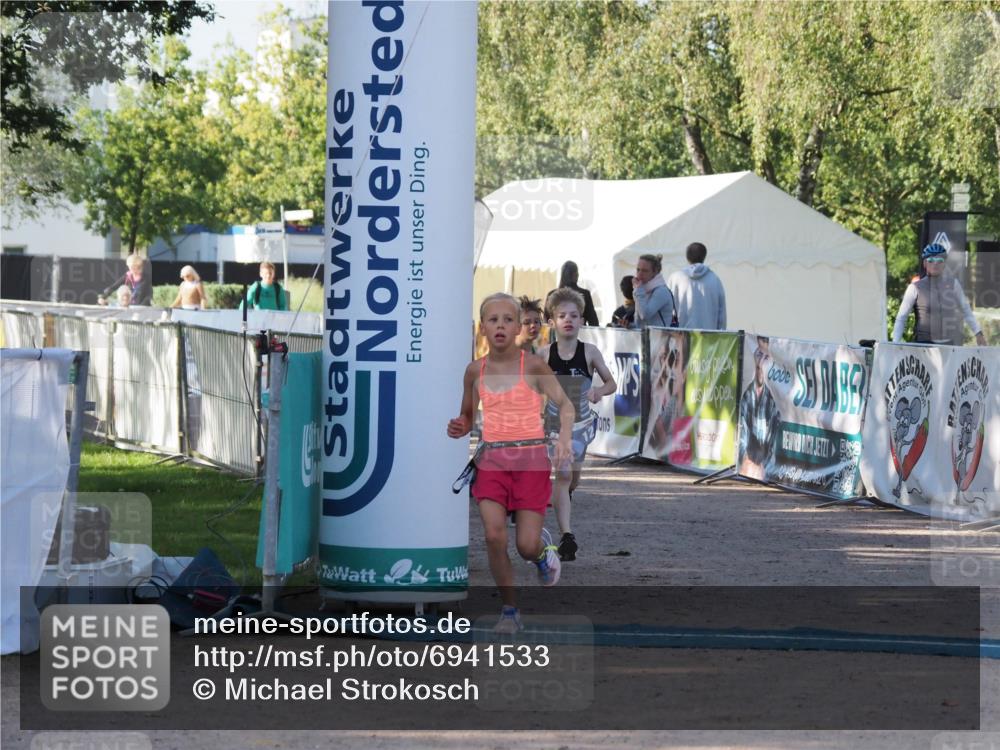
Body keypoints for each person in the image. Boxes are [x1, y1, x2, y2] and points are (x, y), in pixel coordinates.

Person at [447, 292, 574, 634]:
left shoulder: (532, 365)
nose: (500, 325)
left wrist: (563, 439)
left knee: (525, 545)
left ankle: (542, 555)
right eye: (493, 320)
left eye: (507, 320)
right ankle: (510, 611)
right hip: (491, 462)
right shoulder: (475, 370)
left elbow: (566, 406)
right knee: (493, 536)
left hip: (531, 462)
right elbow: (467, 416)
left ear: (518, 327)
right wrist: (459, 426)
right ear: (482, 328)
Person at [538, 288, 616, 561]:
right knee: (563, 475)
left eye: (573, 315)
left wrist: (598, 391)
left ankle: (565, 498)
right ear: (552, 322)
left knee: (573, 479)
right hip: (554, 425)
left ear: (582, 320)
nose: (568, 320)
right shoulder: (545, 354)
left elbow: (611, 383)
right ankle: (567, 536)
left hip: (582, 424)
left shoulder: (590, 352)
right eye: (562, 316)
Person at [892, 243, 986, 346]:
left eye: (939, 260)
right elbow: (901, 317)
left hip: (948, 345)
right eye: (931, 260)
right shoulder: (915, 287)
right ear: (925, 264)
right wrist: (895, 344)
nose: (935, 264)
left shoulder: (954, 284)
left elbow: (966, 310)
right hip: (923, 344)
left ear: (944, 264)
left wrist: (978, 333)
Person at [738, 336, 782, 481]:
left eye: (766, 357)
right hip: (745, 468)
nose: (761, 361)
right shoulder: (747, 397)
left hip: (763, 472)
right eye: (759, 354)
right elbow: (741, 440)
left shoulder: (773, 403)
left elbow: (772, 451)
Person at [647, 330, 689, 458]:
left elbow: (680, 374)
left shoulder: (675, 387)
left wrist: (680, 342)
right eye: (663, 357)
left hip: (671, 444)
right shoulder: (654, 389)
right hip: (661, 447)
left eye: (670, 358)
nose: (666, 361)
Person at [667, 242, 727, 330]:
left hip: (680, 337)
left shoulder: (675, 278)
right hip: (708, 338)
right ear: (704, 257)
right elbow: (721, 314)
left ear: (687, 257)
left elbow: (668, 309)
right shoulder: (715, 280)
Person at [548, 260, 599, 326]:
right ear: (575, 274)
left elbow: (546, 322)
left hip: (556, 333)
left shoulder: (552, 294)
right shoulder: (585, 294)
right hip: (580, 333)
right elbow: (593, 322)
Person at [632, 253, 675, 329]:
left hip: (659, 339)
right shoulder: (643, 289)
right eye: (638, 270)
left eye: (645, 271)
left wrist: (638, 290)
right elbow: (640, 323)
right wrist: (629, 325)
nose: (639, 274)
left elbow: (644, 315)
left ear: (655, 272)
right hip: (646, 338)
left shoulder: (661, 291)